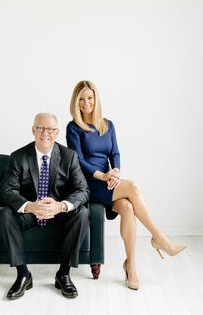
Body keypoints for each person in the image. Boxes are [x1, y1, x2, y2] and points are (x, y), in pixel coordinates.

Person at [66, 80, 186, 291]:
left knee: (129, 208)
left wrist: (116, 172)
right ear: (76, 102)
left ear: (96, 99)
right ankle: (160, 239)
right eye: (82, 99)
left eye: (90, 97)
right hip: (90, 183)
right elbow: (78, 160)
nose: (86, 103)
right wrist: (104, 176)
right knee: (134, 188)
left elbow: (115, 153)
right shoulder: (73, 127)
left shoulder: (107, 124)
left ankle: (131, 266)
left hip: (108, 180)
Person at [0, 112, 89, 300]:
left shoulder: (69, 156)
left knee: (82, 213)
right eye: (40, 128)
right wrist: (30, 206)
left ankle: (63, 274)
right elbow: (7, 190)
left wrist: (61, 206)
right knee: (6, 215)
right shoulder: (19, 156)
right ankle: (23, 274)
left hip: (57, 211)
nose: (45, 133)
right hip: (31, 211)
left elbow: (83, 190)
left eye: (50, 129)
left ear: (57, 132)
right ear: (33, 130)